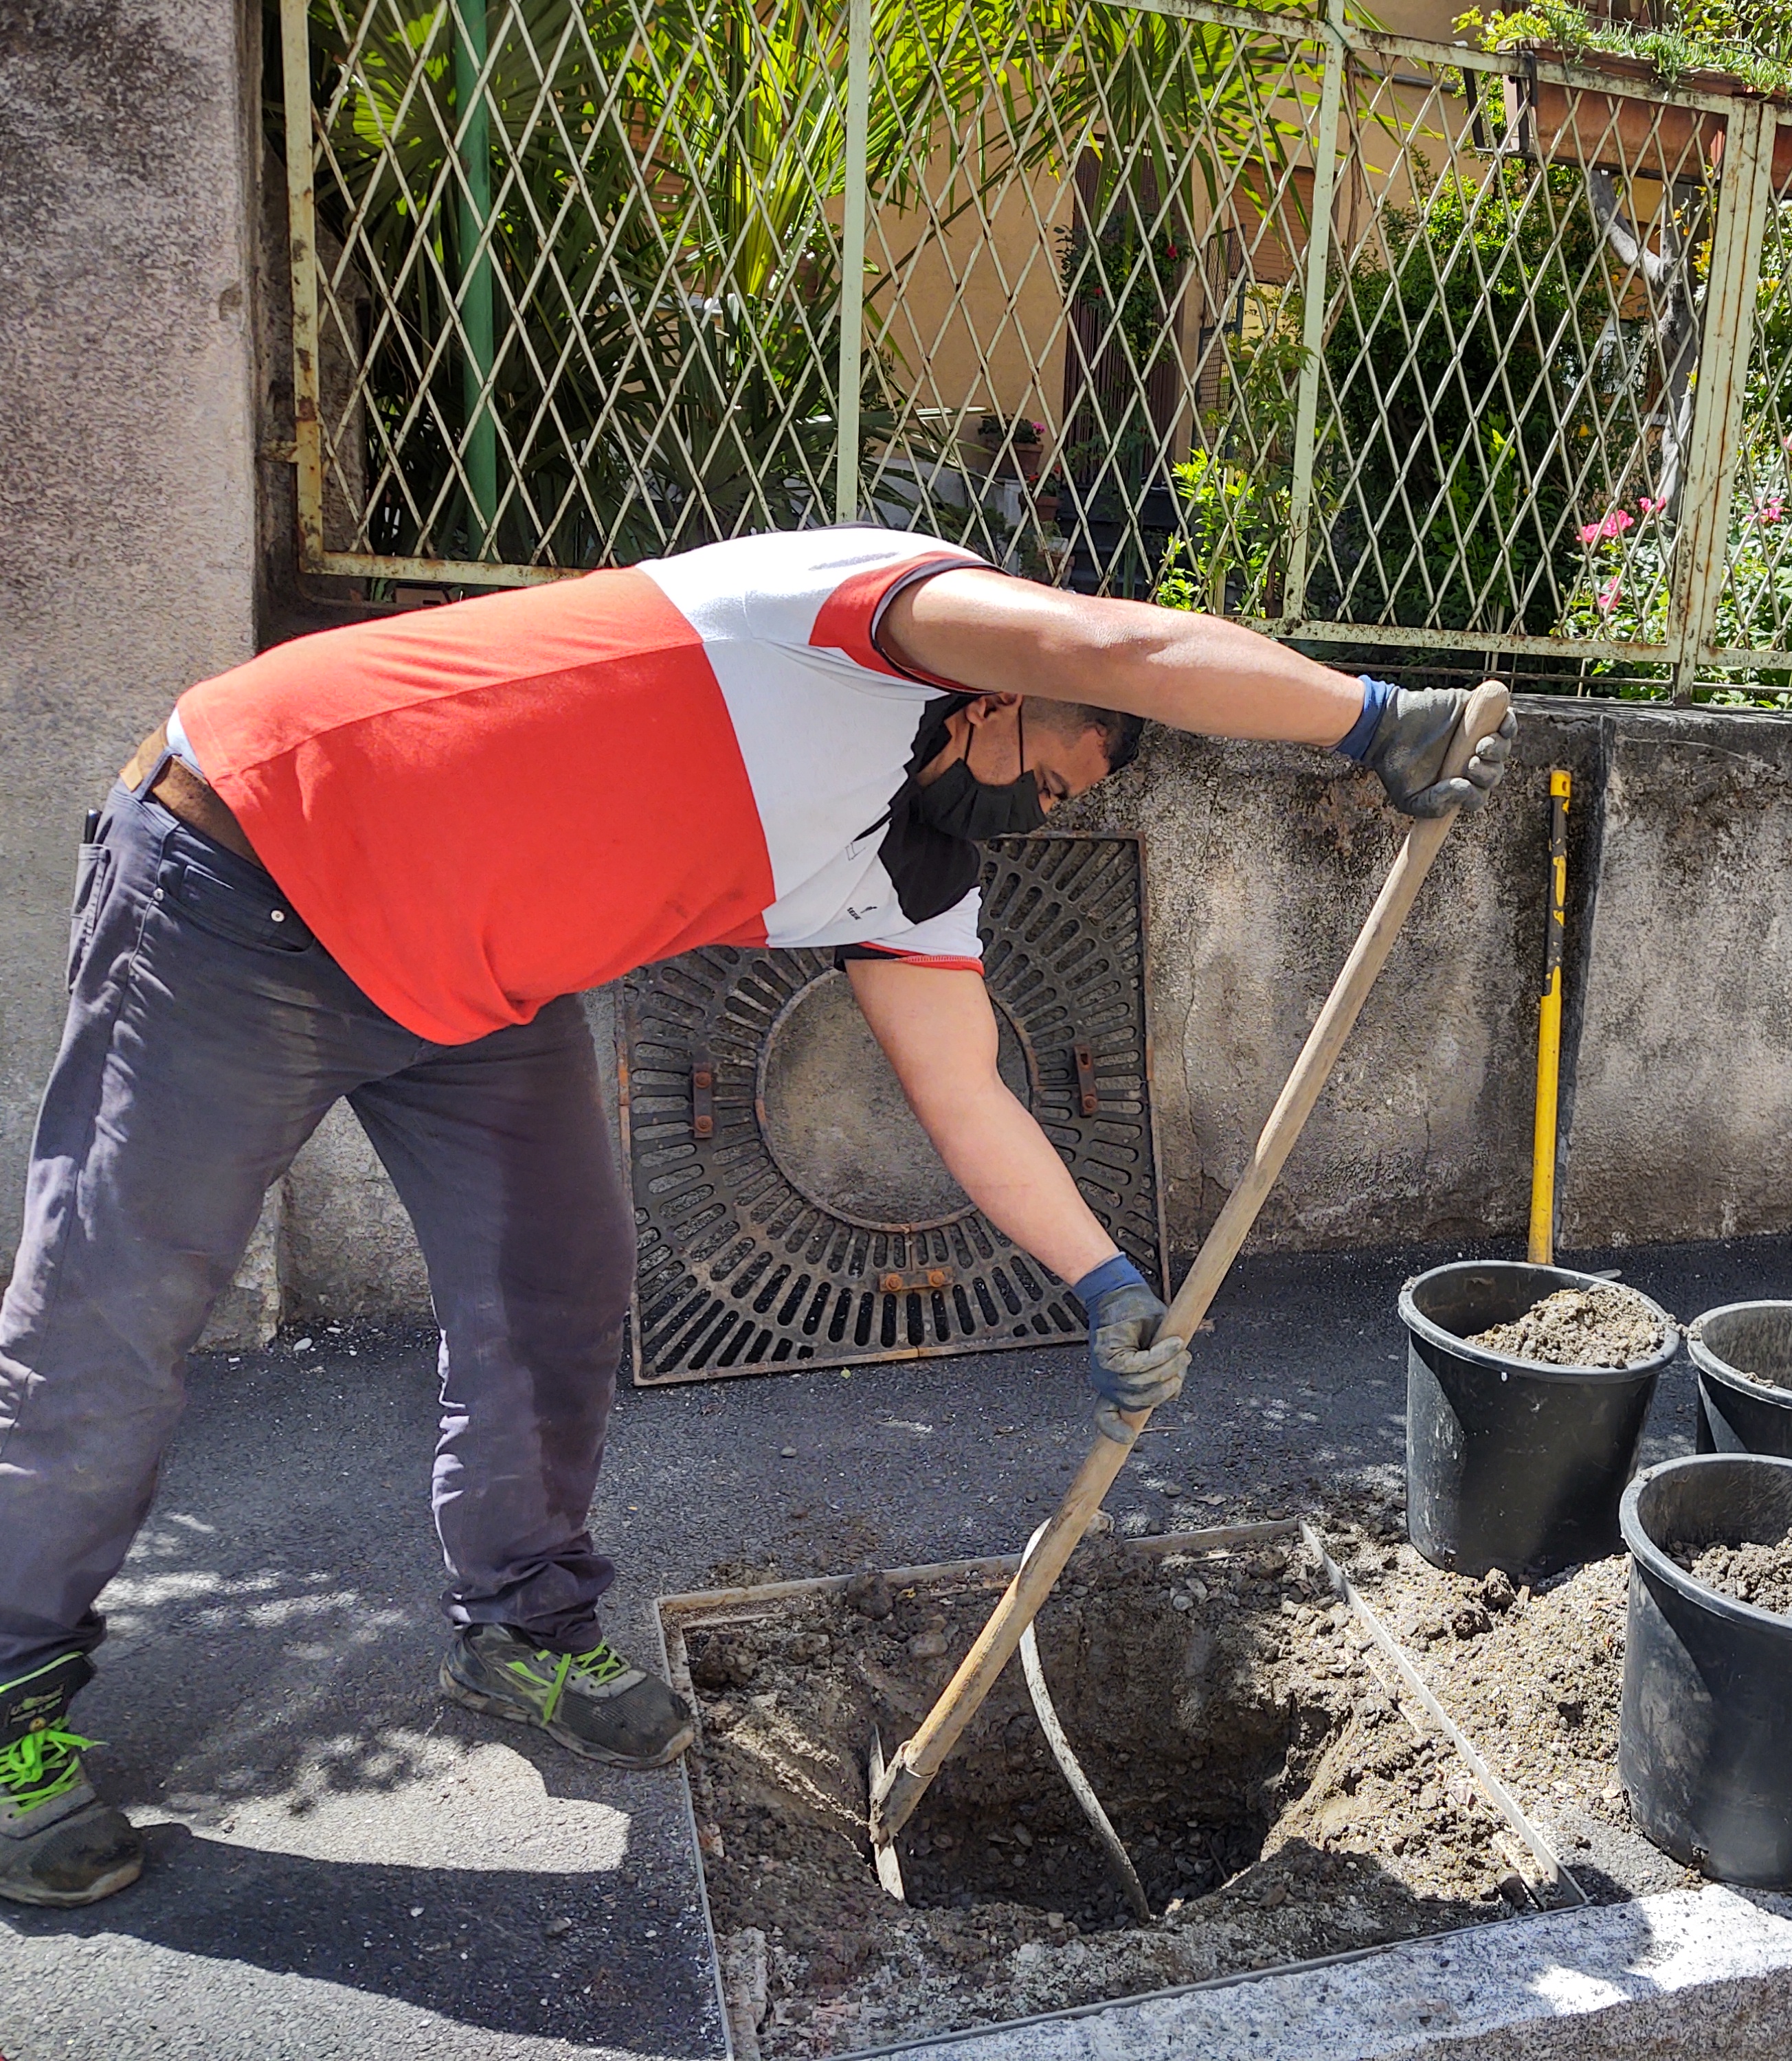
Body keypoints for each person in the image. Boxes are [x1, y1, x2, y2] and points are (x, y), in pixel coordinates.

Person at [0, 526, 1513, 1907]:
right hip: (253, 861)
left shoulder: (909, 879)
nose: (1051, 801)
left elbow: (969, 1096)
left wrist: (1103, 1279)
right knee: (111, 1310)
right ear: (1001, 685)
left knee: (556, 1286)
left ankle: (522, 1629)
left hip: (472, 985)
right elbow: (1115, 648)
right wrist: (1375, 722)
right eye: (1062, 767)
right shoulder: (851, 615)